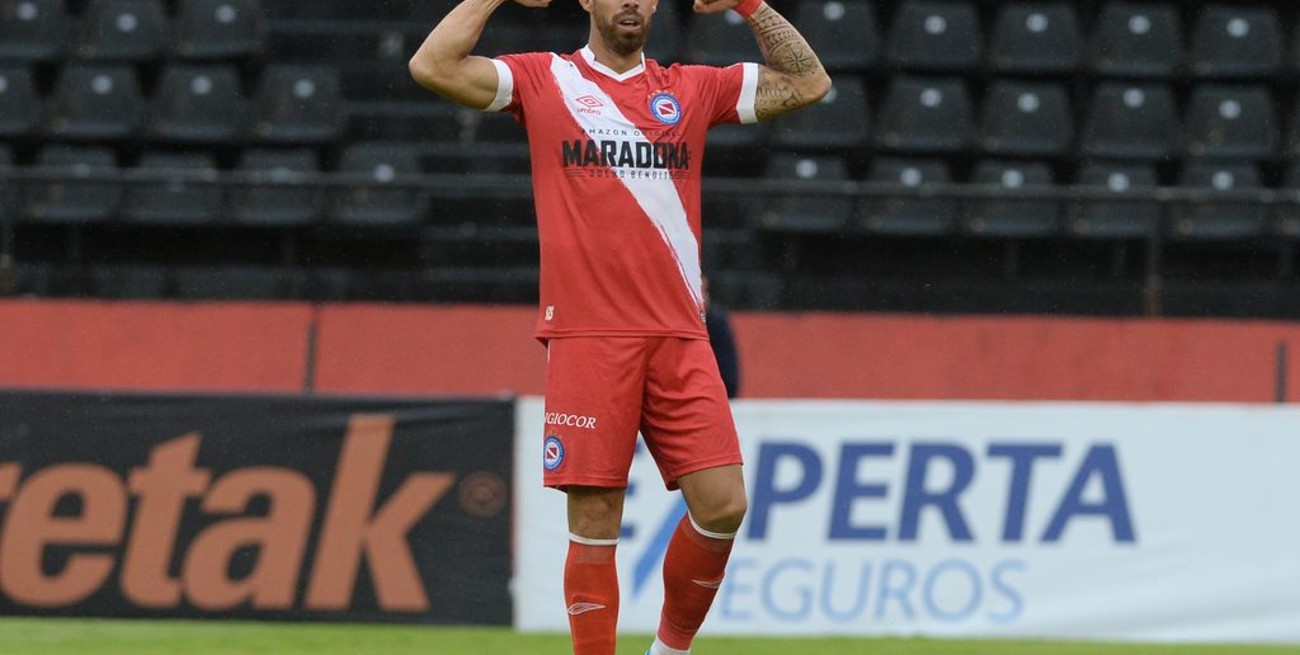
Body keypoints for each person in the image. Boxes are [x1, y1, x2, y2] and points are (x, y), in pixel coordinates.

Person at [409, 1, 829, 653]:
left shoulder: (690, 87)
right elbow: (432, 65)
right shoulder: (544, 79)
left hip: (679, 334)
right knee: (596, 519)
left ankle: (669, 649)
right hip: (588, 334)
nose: (631, 1)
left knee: (724, 504)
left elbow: (808, 83)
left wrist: (751, 5)